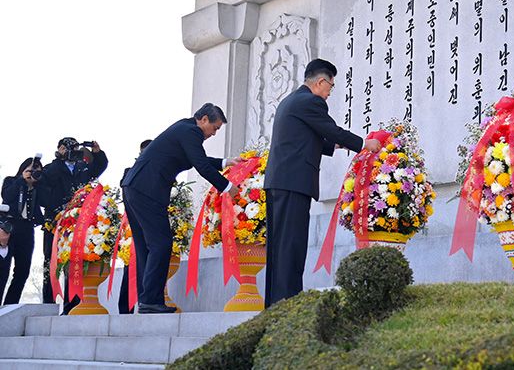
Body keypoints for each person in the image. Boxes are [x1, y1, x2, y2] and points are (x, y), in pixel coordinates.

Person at [263, 59, 381, 307]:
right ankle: (287, 302)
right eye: (330, 87)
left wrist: (333, 145)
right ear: (320, 82)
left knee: (280, 246)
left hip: (280, 181)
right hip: (293, 183)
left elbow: (308, 135)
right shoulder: (311, 101)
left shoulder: (291, 100)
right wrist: (363, 144)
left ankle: (276, 301)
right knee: (291, 245)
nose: (329, 93)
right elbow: (331, 129)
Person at [121, 104, 241, 314]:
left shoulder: (184, 128)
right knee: (161, 244)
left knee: (146, 247)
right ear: (204, 119)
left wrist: (225, 162)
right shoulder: (191, 132)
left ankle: (148, 300)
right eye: (215, 127)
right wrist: (228, 187)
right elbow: (201, 166)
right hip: (147, 190)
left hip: (135, 187)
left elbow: (197, 160)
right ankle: (150, 301)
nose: (214, 133)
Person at [41, 138, 108, 313]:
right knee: (52, 261)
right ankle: (48, 303)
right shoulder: (51, 168)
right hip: (55, 222)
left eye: (75, 149)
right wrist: (60, 158)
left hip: (76, 222)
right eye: (68, 149)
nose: (73, 152)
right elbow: (44, 186)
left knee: (74, 261)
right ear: (60, 149)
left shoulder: (82, 167)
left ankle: (73, 304)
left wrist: (97, 153)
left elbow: (99, 167)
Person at [0, 157, 49, 305]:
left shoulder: (38, 188)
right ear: (23, 170)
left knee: (22, 271)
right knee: (3, 270)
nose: (34, 173)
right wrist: (22, 179)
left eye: (37, 171)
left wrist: (38, 182)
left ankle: (10, 305)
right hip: (9, 228)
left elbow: (46, 201)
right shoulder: (11, 181)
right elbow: (6, 197)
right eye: (30, 170)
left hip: (27, 230)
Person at [118, 139, 152, 314]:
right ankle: (125, 308)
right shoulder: (129, 172)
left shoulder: (161, 171)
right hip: (133, 227)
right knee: (130, 268)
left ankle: (147, 300)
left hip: (153, 226)